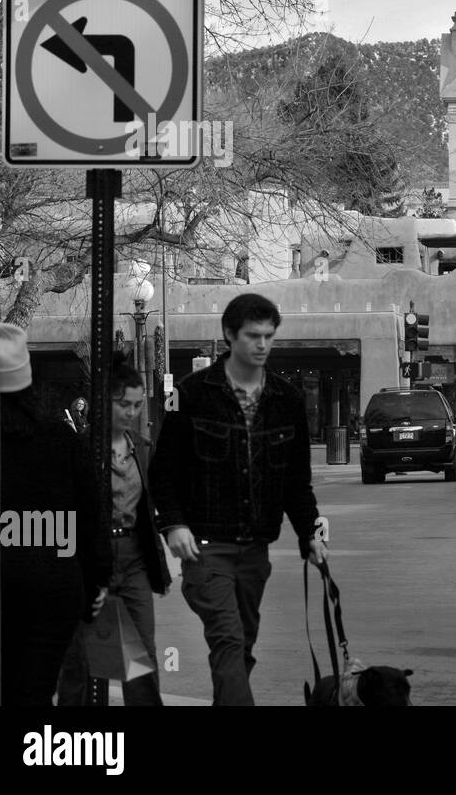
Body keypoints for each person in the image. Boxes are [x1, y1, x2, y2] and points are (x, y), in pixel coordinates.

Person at [149, 293, 328, 705]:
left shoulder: (287, 400)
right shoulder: (192, 395)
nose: (262, 345)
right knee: (228, 639)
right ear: (230, 335)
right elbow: (163, 471)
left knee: (240, 647)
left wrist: (311, 535)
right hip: (205, 549)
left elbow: (297, 484)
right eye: (253, 336)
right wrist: (173, 524)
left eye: (269, 336)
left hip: (255, 550)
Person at [0, 323, 110, 705]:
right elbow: (91, 515)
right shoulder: (61, 441)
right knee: (36, 689)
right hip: (53, 591)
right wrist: (96, 580)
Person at [58, 354, 172, 706]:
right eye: (124, 404)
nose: (132, 412)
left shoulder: (141, 447)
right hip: (91, 555)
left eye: (137, 405)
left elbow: (156, 501)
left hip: (134, 556)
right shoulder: (82, 448)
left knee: (141, 653)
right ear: (105, 402)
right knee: (84, 656)